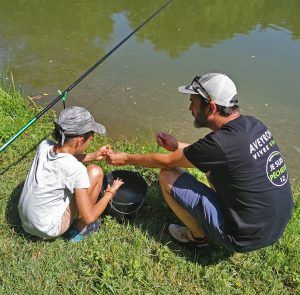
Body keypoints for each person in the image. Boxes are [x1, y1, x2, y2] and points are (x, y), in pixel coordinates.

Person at [106, 73, 294, 253]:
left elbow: (166, 161)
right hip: (274, 227)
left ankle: (198, 237)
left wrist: (125, 158)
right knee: (212, 169)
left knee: (167, 175)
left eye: (193, 104)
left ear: (211, 107)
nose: (190, 109)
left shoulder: (220, 144)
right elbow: (217, 154)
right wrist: (176, 145)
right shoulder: (253, 125)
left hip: (242, 237)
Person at [18, 106, 123, 242]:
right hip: (48, 229)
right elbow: (89, 217)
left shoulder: (45, 146)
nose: (91, 140)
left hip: (26, 222)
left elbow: (64, 160)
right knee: (95, 172)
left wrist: (93, 155)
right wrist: (110, 193)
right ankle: (79, 230)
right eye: (91, 138)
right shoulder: (76, 169)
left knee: (90, 171)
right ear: (80, 139)